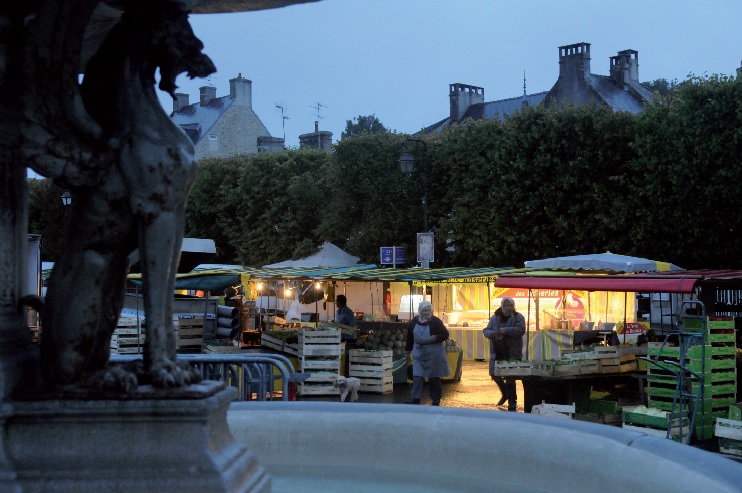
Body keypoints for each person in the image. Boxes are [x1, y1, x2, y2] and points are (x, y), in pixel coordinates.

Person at [404, 300, 450, 405]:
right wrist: (407, 350)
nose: (426, 312)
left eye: (428, 310)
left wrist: (431, 339)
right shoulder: (414, 321)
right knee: (417, 376)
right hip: (419, 354)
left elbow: (445, 334)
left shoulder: (436, 321)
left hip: (433, 355)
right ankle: (415, 398)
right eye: (424, 310)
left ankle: (436, 399)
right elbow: (410, 337)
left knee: (433, 378)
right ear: (420, 310)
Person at [483, 297, 525, 411]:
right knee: (494, 374)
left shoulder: (518, 317)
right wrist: (492, 333)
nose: (508, 307)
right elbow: (486, 330)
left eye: (510, 305)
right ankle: (505, 393)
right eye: (506, 305)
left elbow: (521, 330)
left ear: (513, 306)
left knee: (510, 377)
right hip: (497, 352)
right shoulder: (495, 317)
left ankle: (512, 402)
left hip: (512, 352)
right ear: (502, 306)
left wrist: (506, 330)